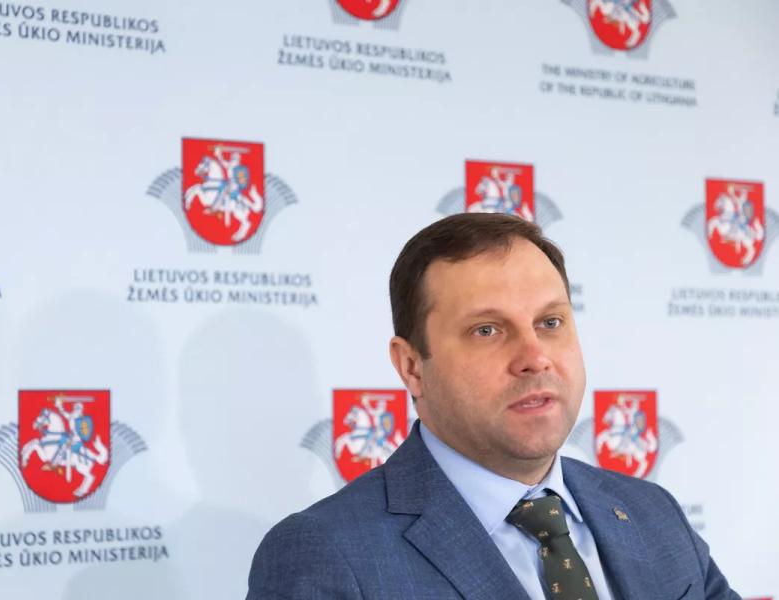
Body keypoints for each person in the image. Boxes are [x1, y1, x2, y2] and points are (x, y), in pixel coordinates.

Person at [247, 213, 739, 599]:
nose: (534, 357)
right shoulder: (328, 555)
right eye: (487, 330)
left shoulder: (652, 512)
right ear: (412, 366)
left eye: (550, 323)